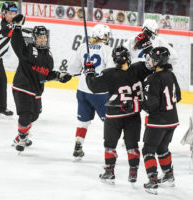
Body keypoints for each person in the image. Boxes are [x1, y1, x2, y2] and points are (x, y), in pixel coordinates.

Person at [84, 46, 152, 184]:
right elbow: (152, 65)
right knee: (132, 145)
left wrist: (89, 72)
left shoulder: (109, 74)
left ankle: (109, 171)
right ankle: (133, 173)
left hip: (114, 116)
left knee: (110, 144)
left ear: (114, 60)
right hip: (133, 114)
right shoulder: (139, 68)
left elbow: (93, 87)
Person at [10, 16, 72, 152]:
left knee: (35, 115)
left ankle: (20, 136)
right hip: (22, 86)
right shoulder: (28, 49)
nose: (43, 40)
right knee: (25, 115)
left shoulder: (48, 55)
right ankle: (21, 139)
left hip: (36, 90)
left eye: (44, 37)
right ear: (34, 38)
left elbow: (47, 73)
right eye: (40, 37)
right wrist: (17, 28)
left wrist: (59, 76)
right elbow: (16, 44)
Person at [67, 24, 114, 160]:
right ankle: (109, 153)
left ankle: (78, 147)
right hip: (99, 93)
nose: (107, 37)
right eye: (105, 35)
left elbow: (73, 69)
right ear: (99, 34)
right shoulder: (107, 50)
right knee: (110, 122)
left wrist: (82, 70)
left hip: (82, 90)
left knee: (83, 122)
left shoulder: (82, 47)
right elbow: (110, 71)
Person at [141, 47, 181, 195]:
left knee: (148, 150)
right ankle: (169, 175)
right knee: (162, 148)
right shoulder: (171, 75)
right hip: (172, 120)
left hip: (158, 121)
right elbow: (179, 96)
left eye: (151, 58)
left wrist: (139, 103)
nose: (149, 61)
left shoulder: (151, 79)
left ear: (158, 61)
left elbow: (151, 106)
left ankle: (152, 181)